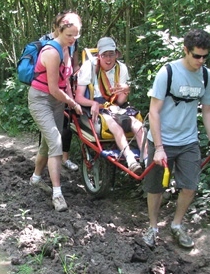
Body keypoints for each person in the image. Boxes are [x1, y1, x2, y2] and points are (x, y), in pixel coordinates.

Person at [142, 28, 210, 248]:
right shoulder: (167, 73)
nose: (201, 60)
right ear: (185, 50)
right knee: (156, 188)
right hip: (162, 140)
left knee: (190, 187)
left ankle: (177, 225)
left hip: (188, 141)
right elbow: (154, 112)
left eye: (205, 56)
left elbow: (207, 110)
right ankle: (152, 227)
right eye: (196, 55)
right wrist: (158, 147)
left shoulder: (206, 76)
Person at [28, 11, 83, 212]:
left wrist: (71, 100)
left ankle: (35, 178)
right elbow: (53, 88)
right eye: (69, 35)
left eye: (76, 36)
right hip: (41, 99)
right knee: (56, 143)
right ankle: (57, 194)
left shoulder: (69, 49)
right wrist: (73, 103)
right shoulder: (51, 52)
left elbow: (65, 79)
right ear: (59, 31)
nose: (72, 39)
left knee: (48, 142)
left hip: (57, 102)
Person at [75, 37, 145, 173]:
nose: (108, 59)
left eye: (111, 54)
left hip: (115, 106)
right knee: (114, 125)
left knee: (138, 125)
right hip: (97, 106)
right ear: (99, 56)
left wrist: (125, 91)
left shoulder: (121, 68)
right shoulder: (89, 67)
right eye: (104, 55)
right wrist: (92, 103)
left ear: (116, 54)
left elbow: (120, 102)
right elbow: (78, 97)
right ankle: (130, 159)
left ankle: (147, 159)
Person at [40, 12, 80, 172]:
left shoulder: (72, 42)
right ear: (57, 28)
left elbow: (75, 65)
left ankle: (65, 158)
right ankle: (45, 166)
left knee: (66, 125)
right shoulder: (46, 42)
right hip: (48, 90)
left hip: (67, 88)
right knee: (48, 133)